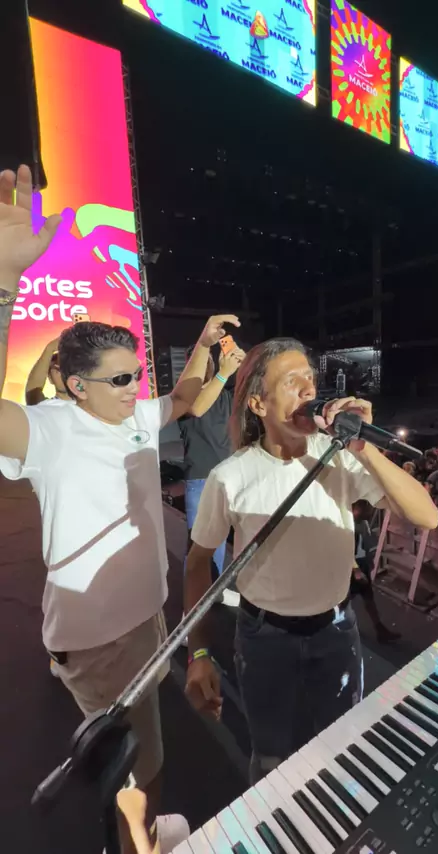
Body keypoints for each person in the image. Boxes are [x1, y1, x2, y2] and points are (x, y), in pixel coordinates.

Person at [0, 165, 240, 854]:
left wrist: (206, 349)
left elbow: (185, 399)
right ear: (75, 385)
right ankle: (141, 844)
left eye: (137, 373)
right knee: (146, 766)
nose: (137, 387)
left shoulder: (128, 415)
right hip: (103, 640)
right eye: (121, 378)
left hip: (143, 618)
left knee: (130, 742)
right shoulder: (49, 429)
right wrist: (5, 286)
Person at [184, 338, 438, 782]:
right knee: (271, 757)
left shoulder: (340, 459)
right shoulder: (231, 477)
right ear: (259, 404)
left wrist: (363, 447)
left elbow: (427, 516)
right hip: (263, 637)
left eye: (310, 379)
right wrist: (199, 651)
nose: (308, 389)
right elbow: (196, 563)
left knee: (342, 749)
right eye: (291, 381)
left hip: (336, 631)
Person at [179, 343, 245, 606]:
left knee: (237, 540)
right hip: (201, 480)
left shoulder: (226, 394)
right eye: (198, 359)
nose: (204, 363)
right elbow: (197, 408)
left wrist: (243, 365)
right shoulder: (184, 397)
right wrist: (223, 374)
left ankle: (214, 592)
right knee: (202, 548)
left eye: (208, 358)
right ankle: (192, 610)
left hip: (232, 477)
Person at [350, 500, 400, 644]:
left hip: (361, 565)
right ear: (358, 507)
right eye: (367, 508)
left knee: (368, 598)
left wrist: (368, 563)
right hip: (351, 569)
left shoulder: (363, 523)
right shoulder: (348, 524)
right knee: (343, 601)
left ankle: (379, 629)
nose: (371, 512)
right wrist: (356, 570)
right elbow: (345, 550)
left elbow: (365, 546)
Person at [25, 337, 70, 404]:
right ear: (50, 378)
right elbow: (32, 392)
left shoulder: (86, 405)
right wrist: (50, 348)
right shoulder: (47, 407)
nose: (64, 373)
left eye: (68, 368)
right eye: (58, 369)